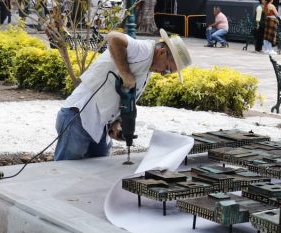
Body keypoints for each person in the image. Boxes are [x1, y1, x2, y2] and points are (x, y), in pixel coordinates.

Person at [54, 30, 193, 161]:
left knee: (98, 175)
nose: (164, 74)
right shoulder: (144, 50)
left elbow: (123, 96)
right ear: (162, 52)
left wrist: (116, 122)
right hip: (79, 117)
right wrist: (125, 72)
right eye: (168, 69)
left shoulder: (147, 69)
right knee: (66, 172)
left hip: (100, 125)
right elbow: (113, 37)